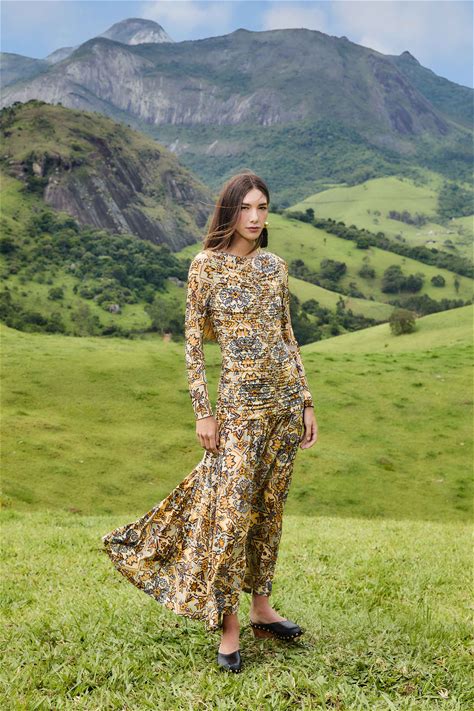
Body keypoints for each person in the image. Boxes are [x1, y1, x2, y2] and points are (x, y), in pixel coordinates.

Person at [101, 171, 318, 674]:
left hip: (284, 406)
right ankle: (228, 625)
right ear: (229, 211)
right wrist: (204, 411)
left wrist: (306, 400)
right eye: (246, 208)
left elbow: (287, 335)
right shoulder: (206, 266)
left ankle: (262, 608)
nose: (255, 217)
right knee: (229, 518)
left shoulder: (275, 267)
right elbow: (194, 346)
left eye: (262, 207)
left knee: (268, 510)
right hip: (238, 409)